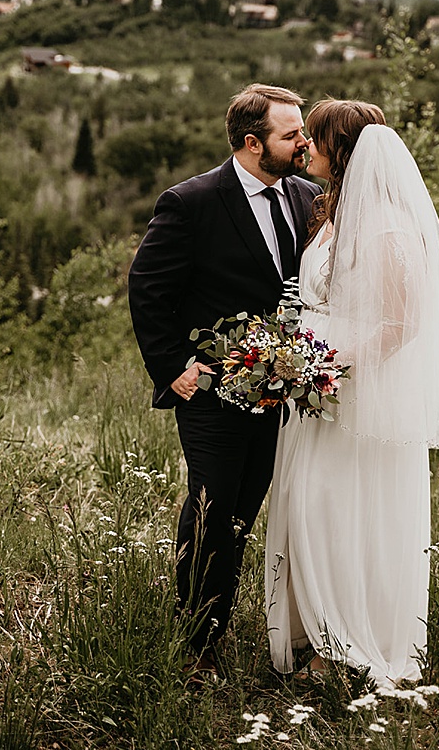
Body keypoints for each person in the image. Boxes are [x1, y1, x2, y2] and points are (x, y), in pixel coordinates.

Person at [265, 102, 439, 686]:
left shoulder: (386, 224)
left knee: (340, 509)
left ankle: (348, 642)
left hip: (350, 391)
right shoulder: (334, 211)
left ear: (345, 148)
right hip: (311, 385)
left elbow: (400, 324)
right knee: (307, 505)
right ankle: (315, 631)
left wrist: (323, 368)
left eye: (316, 138)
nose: (306, 147)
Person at [128, 83, 322, 684]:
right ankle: (197, 647)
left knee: (245, 509)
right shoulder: (192, 202)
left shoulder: (306, 196)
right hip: (210, 390)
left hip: (281, 392)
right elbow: (148, 289)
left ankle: (221, 617)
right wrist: (173, 369)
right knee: (213, 508)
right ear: (250, 142)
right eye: (291, 134)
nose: (303, 143)